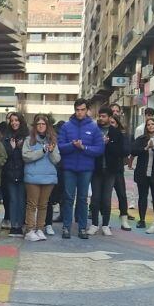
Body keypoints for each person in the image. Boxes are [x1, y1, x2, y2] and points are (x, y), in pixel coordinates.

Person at [58, 99, 105, 239]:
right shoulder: (66, 127)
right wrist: (72, 145)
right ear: (74, 110)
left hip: (86, 169)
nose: (80, 112)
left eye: (82, 109)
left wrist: (84, 148)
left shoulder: (94, 127)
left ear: (87, 110)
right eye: (77, 110)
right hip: (69, 168)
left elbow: (99, 149)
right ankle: (66, 227)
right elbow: (60, 147)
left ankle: (82, 228)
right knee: (68, 198)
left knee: (83, 199)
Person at [88, 107, 127, 236]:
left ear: (110, 118)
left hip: (111, 170)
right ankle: (94, 224)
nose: (101, 118)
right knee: (95, 198)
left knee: (106, 199)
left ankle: (105, 225)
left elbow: (122, 152)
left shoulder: (116, 133)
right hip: (96, 170)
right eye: (100, 116)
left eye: (104, 116)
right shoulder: (94, 131)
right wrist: (100, 144)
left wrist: (108, 144)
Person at [23, 115, 61, 242]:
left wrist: (51, 151)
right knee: (32, 205)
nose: (40, 126)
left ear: (47, 126)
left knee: (43, 205)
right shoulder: (29, 140)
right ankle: (29, 230)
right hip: (33, 177)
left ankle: (40, 229)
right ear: (35, 126)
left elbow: (57, 160)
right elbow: (26, 156)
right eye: (38, 124)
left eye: (43, 124)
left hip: (48, 177)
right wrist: (43, 151)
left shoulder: (52, 140)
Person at [129, 117, 154, 229]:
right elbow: (132, 150)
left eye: (153, 124)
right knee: (143, 196)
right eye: (148, 125)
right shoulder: (141, 139)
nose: (151, 126)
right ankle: (142, 220)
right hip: (143, 172)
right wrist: (145, 148)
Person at [2, 112, 29, 237]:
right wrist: (13, 149)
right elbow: (5, 156)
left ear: (21, 121)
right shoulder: (6, 137)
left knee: (22, 199)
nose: (14, 123)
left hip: (24, 172)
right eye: (12, 120)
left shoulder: (27, 136)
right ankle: (14, 226)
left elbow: (27, 155)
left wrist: (19, 148)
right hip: (10, 173)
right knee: (13, 199)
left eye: (16, 120)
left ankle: (21, 223)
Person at [109, 103, 133, 229]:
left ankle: (124, 218)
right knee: (102, 196)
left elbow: (126, 150)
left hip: (117, 169)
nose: (114, 112)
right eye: (112, 110)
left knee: (122, 194)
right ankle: (102, 221)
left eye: (116, 111)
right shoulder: (102, 132)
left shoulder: (123, 134)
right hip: (104, 169)